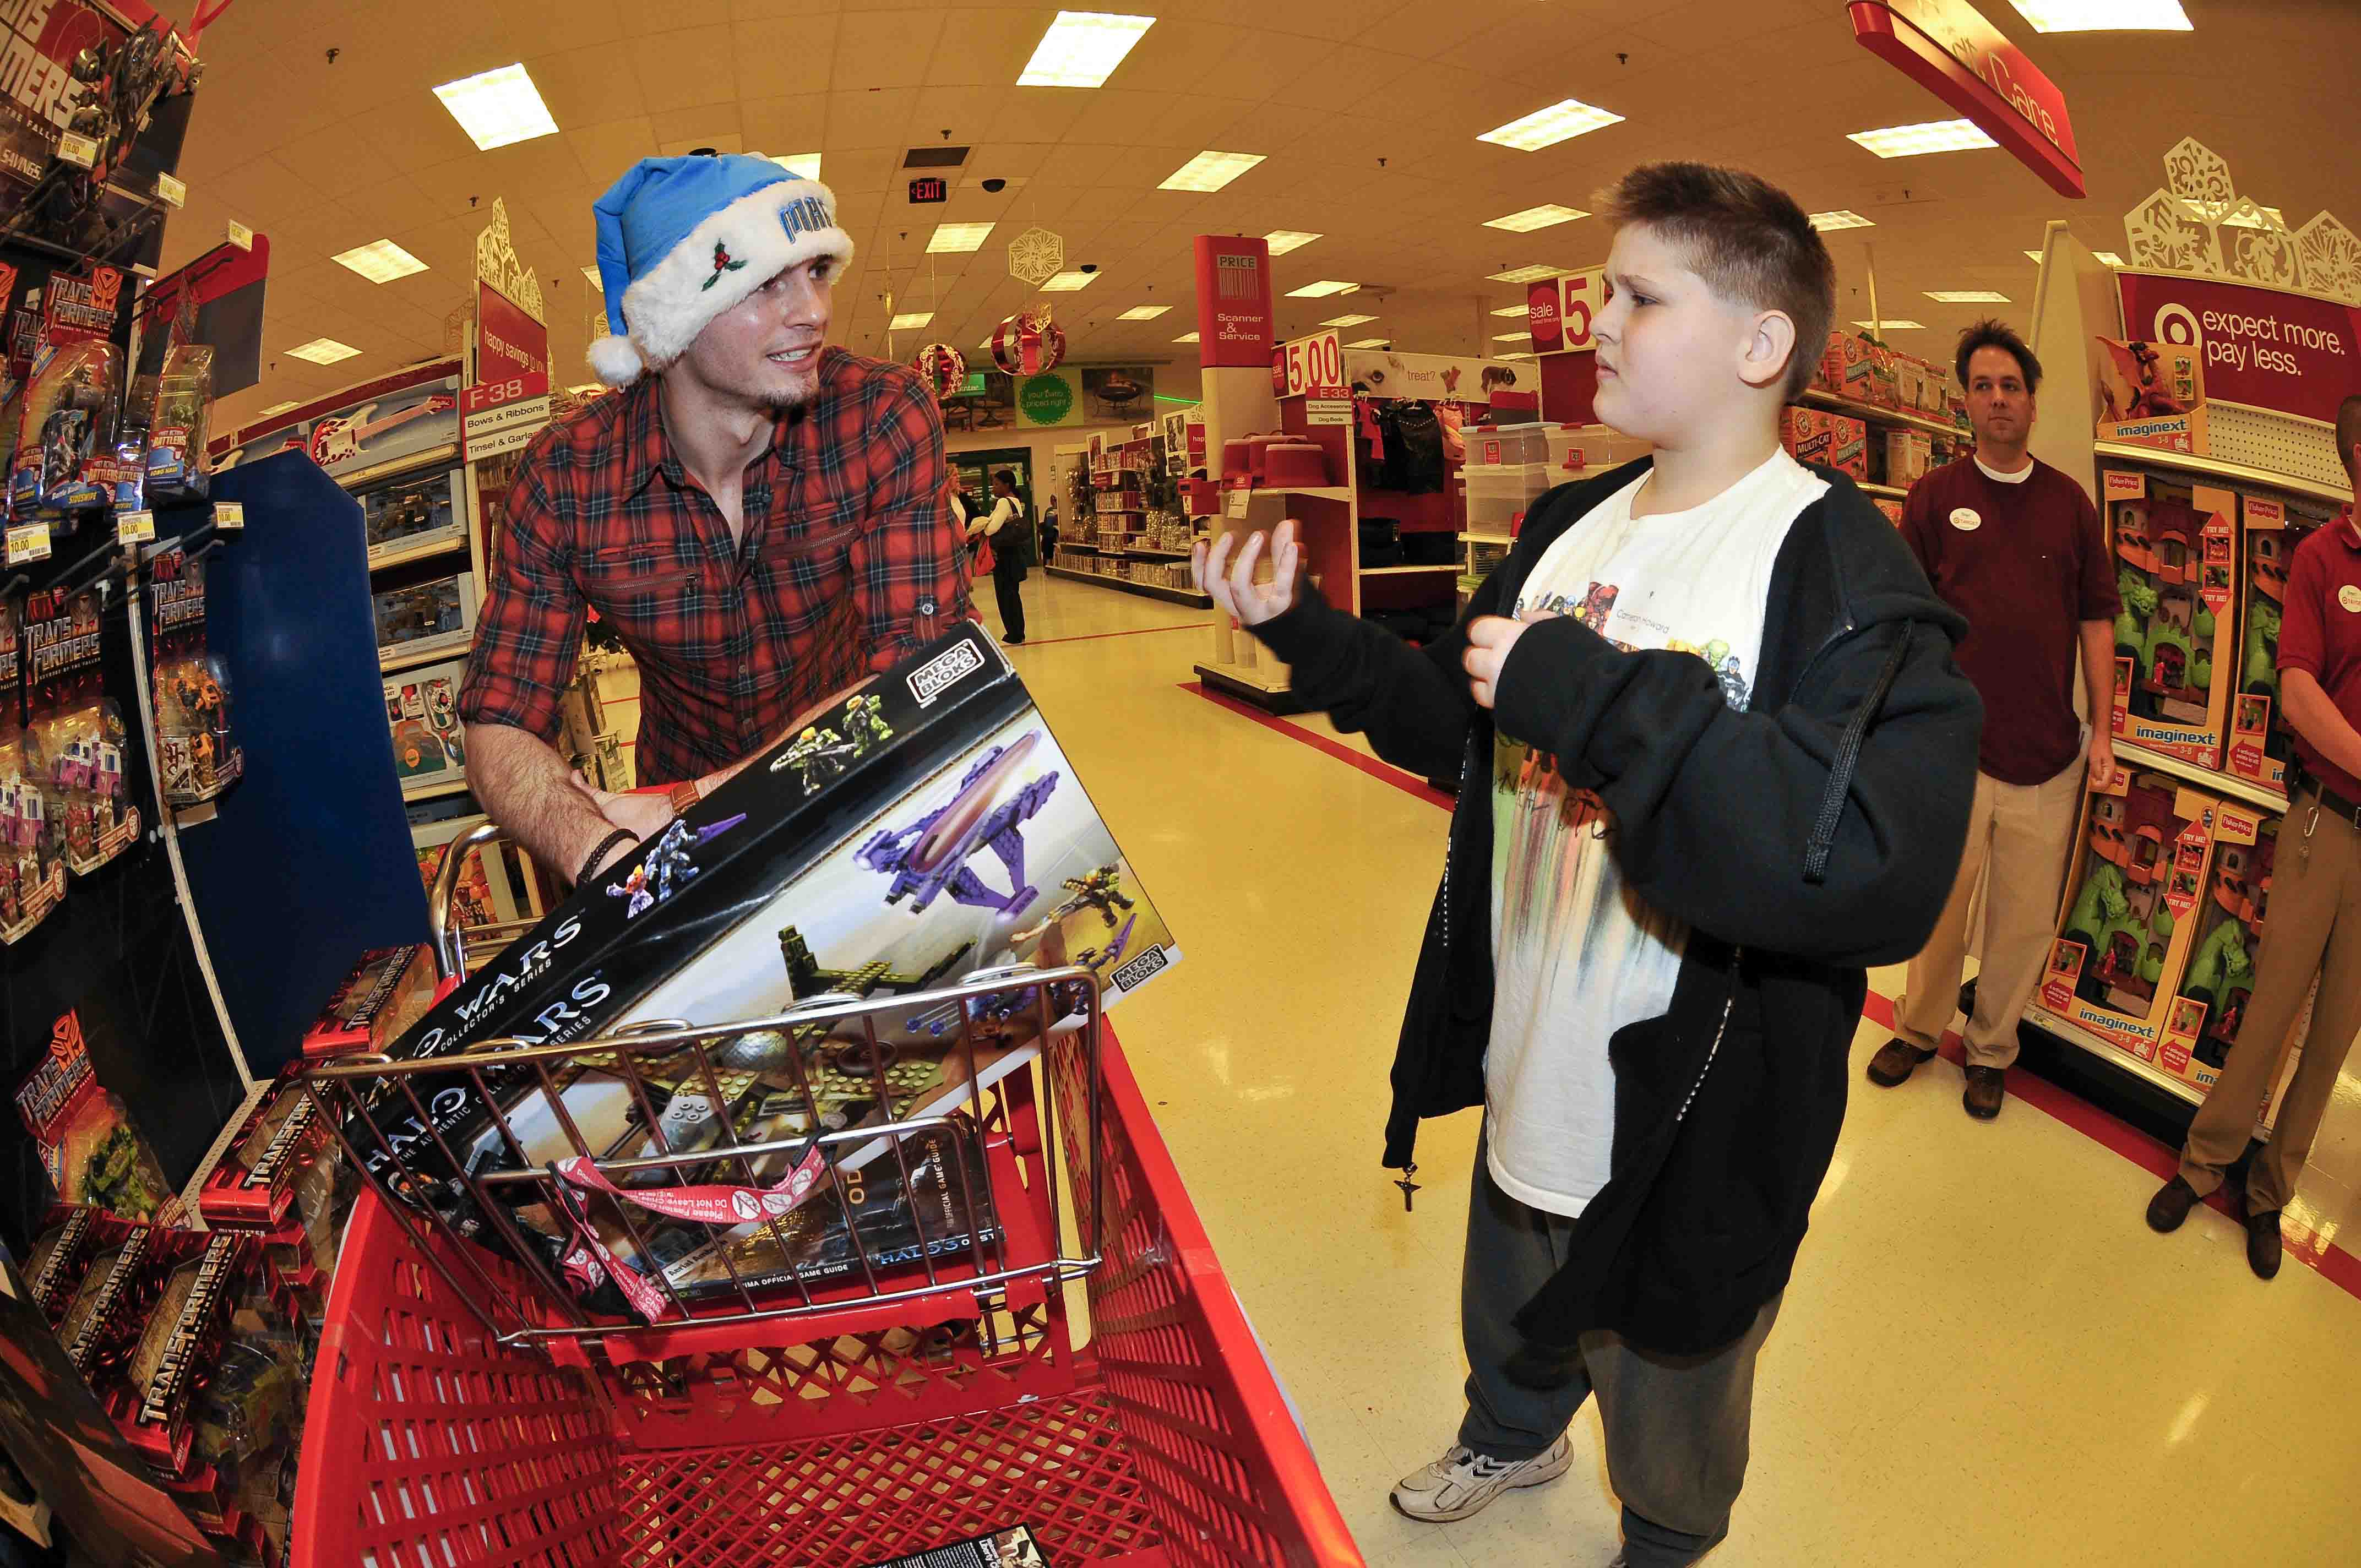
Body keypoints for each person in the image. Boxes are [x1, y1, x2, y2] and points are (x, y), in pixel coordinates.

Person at [1194, 162, 1979, 1565]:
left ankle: (1665, 1535)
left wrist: (1605, 697)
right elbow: (1454, 715)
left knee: (1674, 1364)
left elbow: (1871, 861)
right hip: (1532, 1029)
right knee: (1509, 1257)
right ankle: (1509, 1426)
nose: (1594, 319)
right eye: (1601, 288)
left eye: (1634, 294)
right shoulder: (1569, 526)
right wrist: (1305, 629)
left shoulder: (1839, 568)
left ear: (1758, 343)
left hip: (1699, 1094)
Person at [459, 154, 969, 891]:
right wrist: (601, 853)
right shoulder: (567, 476)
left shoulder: (881, 416)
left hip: (864, 772)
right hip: (682, 834)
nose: (815, 311)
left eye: (818, 272)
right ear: (676, 320)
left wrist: (702, 800)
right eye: (767, 283)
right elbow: (495, 721)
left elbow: (926, 672)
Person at [1867, 320, 2120, 1119]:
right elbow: (1904, 618)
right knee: (1941, 905)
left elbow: (2098, 623)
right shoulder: (1934, 498)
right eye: (1983, 385)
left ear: (2033, 401)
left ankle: (1990, 1052)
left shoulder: (2070, 506)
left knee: (2020, 926)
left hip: (2048, 756)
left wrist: (2105, 732)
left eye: (2011, 385)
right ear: (1966, 401)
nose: (1999, 398)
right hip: (1953, 754)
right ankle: (1917, 1026)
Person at [2146, 394, 2361, 1280]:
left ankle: (2270, 1194)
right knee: (2271, 1008)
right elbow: (2300, 689)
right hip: (2324, 820)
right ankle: (2205, 1163)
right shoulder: (2322, 557)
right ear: (2354, 456)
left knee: (2339, 1030)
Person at [966, 467, 1029, 645]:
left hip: (1004, 556)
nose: (993, 488)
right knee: (1013, 594)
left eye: (996, 484)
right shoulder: (1016, 501)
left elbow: (992, 529)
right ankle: (1018, 631)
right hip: (1015, 554)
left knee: (1005, 594)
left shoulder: (1003, 503)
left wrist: (985, 524)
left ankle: (1014, 633)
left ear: (1006, 485)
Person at [1039, 494, 1062, 565]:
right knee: (1049, 555)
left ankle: (1048, 567)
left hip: (1048, 536)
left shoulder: (1051, 510)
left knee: (1048, 555)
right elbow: (1049, 524)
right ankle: (1048, 567)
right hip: (1050, 536)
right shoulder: (1051, 511)